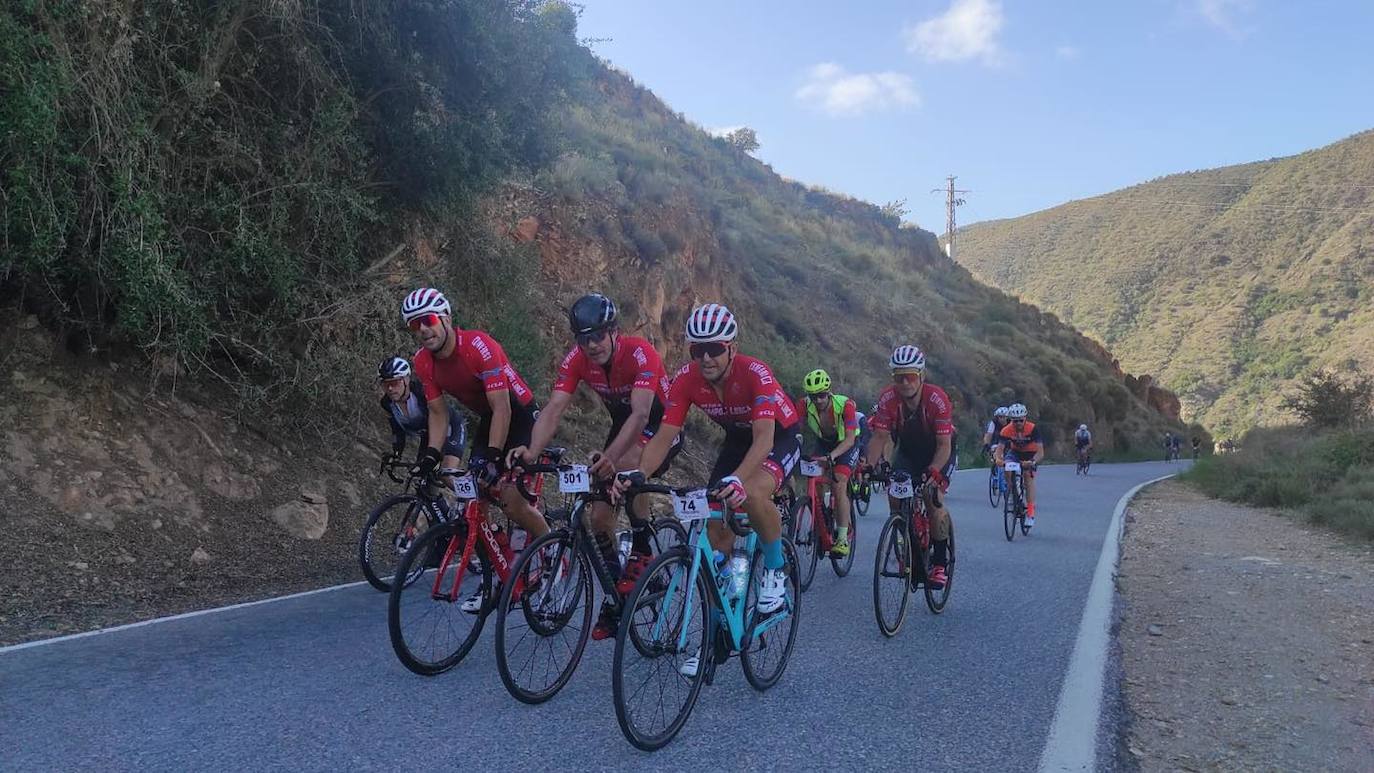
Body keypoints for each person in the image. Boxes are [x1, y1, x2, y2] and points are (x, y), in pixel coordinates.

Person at [613, 303, 800, 677]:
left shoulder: (755, 373)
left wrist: (738, 480)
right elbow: (665, 435)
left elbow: (763, 440)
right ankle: (719, 629)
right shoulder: (686, 380)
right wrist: (638, 472)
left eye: (715, 348)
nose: (707, 357)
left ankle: (776, 575)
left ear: (732, 347)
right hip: (736, 439)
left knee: (753, 492)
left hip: (777, 435)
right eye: (698, 350)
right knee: (715, 528)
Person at [508, 293, 681, 639]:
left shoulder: (640, 353)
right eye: (583, 338)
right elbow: (555, 408)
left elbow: (641, 414)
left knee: (626, 468)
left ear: (613, 331)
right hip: (623, 428)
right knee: (599, 517)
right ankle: (617, 593)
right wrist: (530, 450)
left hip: (660, 426)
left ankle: (644, 547)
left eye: (598, 335)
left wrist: (612, 459)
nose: (592, 345)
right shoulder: (577, 359)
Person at [402, 287, 547, 612]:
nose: (423, 329)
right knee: (473, 497)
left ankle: (547, 547)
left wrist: (494, 456)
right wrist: (431, 454)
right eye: (414, 325)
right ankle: (500, 566)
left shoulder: (479, 346)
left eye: (428, 320)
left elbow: (503, 408)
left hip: (519, 414)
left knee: (509, 497)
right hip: (489, 418)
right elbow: (438, 413)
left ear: (447, 319)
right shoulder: (423, 362)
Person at [867, 345, 957, 589]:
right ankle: (906, 544)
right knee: (895, 497)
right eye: (899, 377)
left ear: (921, 376)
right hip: (908, 451)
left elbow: (943, 444)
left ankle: (939, 563)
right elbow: (879, 437)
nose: (905, 382)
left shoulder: (937, 399)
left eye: (910, 376)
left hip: (939, 451)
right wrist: (868, 467)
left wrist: (934, 471)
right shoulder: (888, 398)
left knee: (932, 496)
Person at [798, 368, 860, 558]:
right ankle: (822, 516)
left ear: (829, 391)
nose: (818, 400)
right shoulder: (803, 405)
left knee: (838, 482)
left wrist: (832, 457)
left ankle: (842, 538)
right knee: (812, 480)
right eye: (813, 396)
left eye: (822, 395)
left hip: (847, 444)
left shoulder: (845, 405)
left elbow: (849, 439)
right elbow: (792, 429)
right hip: (823, 443)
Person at [377, 355, 467, 472]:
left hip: (451, 427)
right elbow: (397, 431)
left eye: (394, 383)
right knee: (418, 474)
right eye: (385, 384)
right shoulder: (387, 403)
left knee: (446, 473)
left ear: (406, 380)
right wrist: (397, 454)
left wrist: (434, 456)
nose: (390, 389)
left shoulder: (423, 394)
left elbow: (440, 421)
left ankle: (469, 489)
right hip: (429, 435)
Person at [995, 403, 1045, 527]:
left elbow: (1040, 452)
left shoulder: (1032, 429)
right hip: (1015, 453)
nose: (1018, 423)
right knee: (1007, 468)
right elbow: (1000, 449)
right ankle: (1013, 491)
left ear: (1025, 418)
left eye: (1021, 420)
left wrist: (1032, 462)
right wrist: (998, 459)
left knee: (1028, 476)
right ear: (1011, 420)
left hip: (1031, 454)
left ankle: (1030, 513)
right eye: (1015, 421)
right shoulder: (1006, 430)